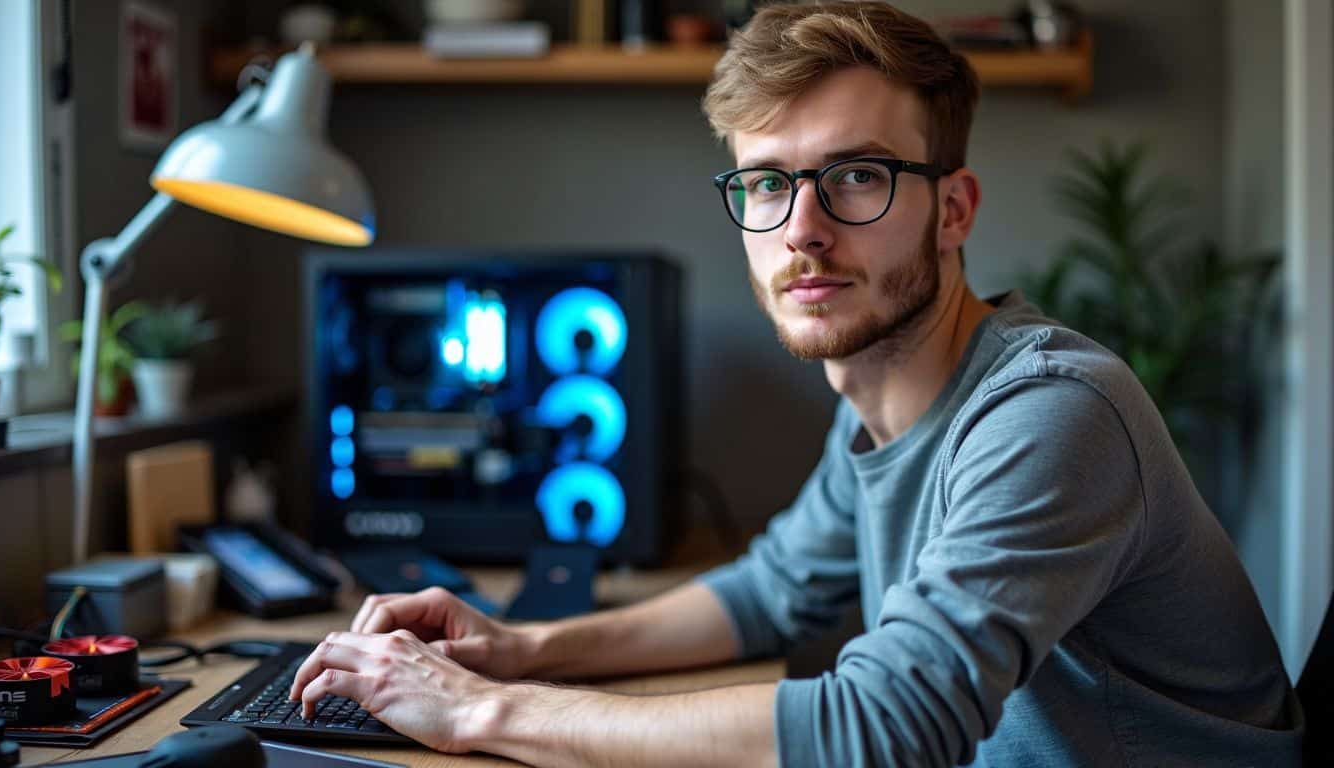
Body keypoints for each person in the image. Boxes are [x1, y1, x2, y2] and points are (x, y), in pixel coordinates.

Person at [289, 3, 1304, 765]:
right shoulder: (884, 397)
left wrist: (477, 712)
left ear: (953, 210)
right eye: (768, 183)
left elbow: (887, 724)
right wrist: (518, 647)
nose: (803, 229)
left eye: (858, 176)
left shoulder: (1050, 414)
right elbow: (767, 593)